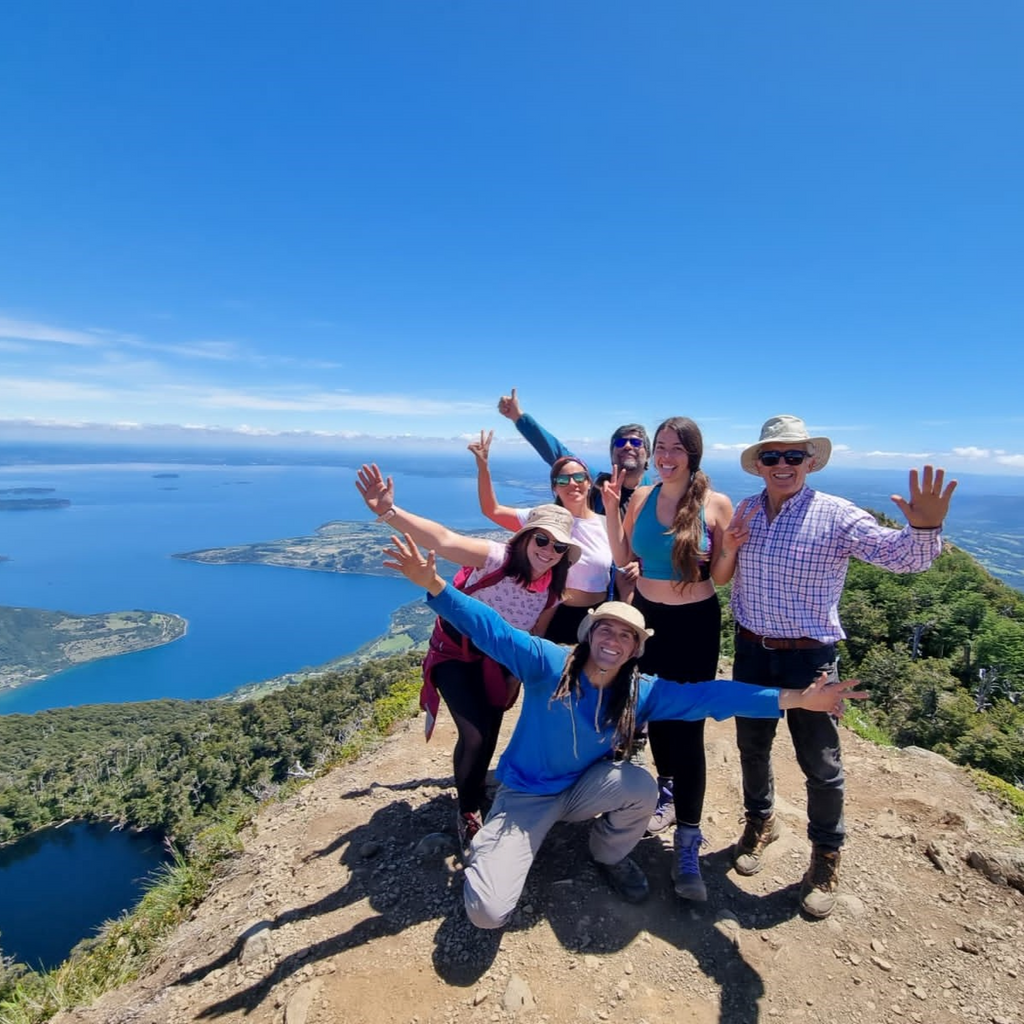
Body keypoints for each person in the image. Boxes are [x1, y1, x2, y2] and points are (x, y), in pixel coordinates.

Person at [381, 532, 868, 929]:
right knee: (487, 914)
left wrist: (797, 699)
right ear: (589, 635)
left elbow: (715, 696)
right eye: (606, 630)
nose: (614, 640)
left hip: (584, 790)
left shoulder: (643, 691)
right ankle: (495, 847)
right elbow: (493, 629)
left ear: (637, 649)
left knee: (639, 785)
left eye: (627, 636)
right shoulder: (549, 663)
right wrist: (439, 589)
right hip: (525, 796)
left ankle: (607, 854)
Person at [718, 415, 957, 918]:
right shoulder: (746, 510)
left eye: (793, 456)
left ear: (810, 462)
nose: (782, 465)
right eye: (771, 456)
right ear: (758, 465)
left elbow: (901, 558)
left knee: (821, 766)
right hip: (751, 650)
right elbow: (726, 571)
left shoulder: (836, 514)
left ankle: (826, 856)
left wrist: (925, 528)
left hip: (810, 660)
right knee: (752, 747)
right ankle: (761, 822)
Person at [355, 463, 581, 848]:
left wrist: (516, 677)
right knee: (474, 734)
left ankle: (475, 790)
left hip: (498, 665)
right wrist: (388, 512)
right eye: (542, 540)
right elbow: (442, 539)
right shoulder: (494, 558)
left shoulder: (551, 592)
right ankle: (468, 810)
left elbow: (534, 637)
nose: (549, 551)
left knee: (490, 732)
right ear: (526, 537)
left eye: (559, 547)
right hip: (454, 654)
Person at [601, 416, 735, 902]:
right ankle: (667, 789)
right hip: (647, 620)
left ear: (693, 454)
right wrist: (615, 510)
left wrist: (730, 548)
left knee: (689, 727)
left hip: (695, 624)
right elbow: (622, 555)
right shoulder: (641, 496)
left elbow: (719, 577)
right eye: (660, 446)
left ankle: (688, 844)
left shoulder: (714, 505)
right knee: (655, 718)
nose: (665, 454)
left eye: (676, 447)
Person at [468, 428, 618, 644]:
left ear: (588, 482)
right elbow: (492, 510)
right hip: (553, 615)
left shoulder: (606, 524)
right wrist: (483, 467)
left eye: (578, 477)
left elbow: (624, 566)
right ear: (554, 487)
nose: (572, 484)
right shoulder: (542, 519)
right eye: (563, 480)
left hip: (596, 616)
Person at [496, 387, 652, 515]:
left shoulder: (657, 494)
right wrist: (518, 417)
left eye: (636, 442)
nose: (628, 446)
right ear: (612, 454)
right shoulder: (598, 483)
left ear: (649, 455)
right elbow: (557, 452)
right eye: (620, 442)